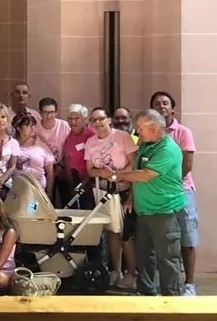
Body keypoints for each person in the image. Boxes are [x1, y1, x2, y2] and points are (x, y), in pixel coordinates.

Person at [110, 109, 186, 297]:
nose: (137, 132)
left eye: (140, 129)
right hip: (144, 211)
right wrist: (131, 199)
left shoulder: (168, 149)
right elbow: (137, 171)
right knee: (144, 256)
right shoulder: (145, 145)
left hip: (164, 212)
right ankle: (146, 294)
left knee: (167, 258)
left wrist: (114, 175)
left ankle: (171, 300)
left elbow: (144, 175)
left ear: (153, 128)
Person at [85, 106, 138, 290]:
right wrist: (105, 173)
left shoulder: (122, 137)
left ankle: (132, 273)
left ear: (109, 119)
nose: (98, 123)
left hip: (122, 191)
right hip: (102, 192)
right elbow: (90, 169)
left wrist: (116, 175)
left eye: (101, 119)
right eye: (94, 120)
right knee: (110, 233)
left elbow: (134, 163)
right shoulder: (90, 142)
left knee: (124, 234)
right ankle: (116, 270)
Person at [150, 91, 198, 296]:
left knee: (187, 238)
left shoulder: (183, 132)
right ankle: (167, 285)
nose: (162, 106)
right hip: (156, 194)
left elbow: (187, 165)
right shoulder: (145, 132)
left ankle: (189, 285)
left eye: (165, 103)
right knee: (163, 241)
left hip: (181, 191)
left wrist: (169, 185)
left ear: (172, 108)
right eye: (157, 104)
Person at [14, 112, 56, 199]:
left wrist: (49, 193)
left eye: (33, 125)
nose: (32, 128)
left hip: (37, 192)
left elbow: (50, 171)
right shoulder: (12, 144)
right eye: (28, 125)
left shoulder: (41, 146)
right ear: (19, 128)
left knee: (32, 211)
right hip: (16, 192)